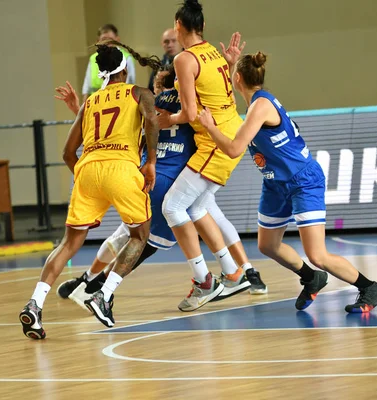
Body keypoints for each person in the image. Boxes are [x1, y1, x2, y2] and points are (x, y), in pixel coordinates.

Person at [56, 66, 268, 312]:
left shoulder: (151, 105)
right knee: (166, 230)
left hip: (147, 181)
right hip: (182, 176)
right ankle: (235, 272)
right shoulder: (191, 107)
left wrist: (79, 111)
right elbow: (218, 99)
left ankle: (94, 284)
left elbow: (109, 128)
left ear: (158, 89)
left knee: (128, 237)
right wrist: (228, 68)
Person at [197, 51, 377, 313]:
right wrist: (231, 64)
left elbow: (233, 149)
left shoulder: (261, 106)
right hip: (276, 183)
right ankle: (312, 278)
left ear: (237, 78)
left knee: (318, 255)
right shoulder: (255, 102)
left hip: (302, 181)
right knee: (267, 245)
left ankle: (369, 287)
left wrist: (208, 125)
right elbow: (234, 100)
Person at [19, 43, 161, 337]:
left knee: (68, 245)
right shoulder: (138, 93)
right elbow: (151, 119)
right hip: (122, 168)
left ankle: (34, 305)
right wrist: (151, 163)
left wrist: (86, 177)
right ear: (124, 68)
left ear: (101, 73)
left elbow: (67, 153)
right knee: (140, 235)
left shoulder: (90, 101)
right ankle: (103, 296)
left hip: (88, 169)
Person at [157, 0, 249, 311]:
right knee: (197, 207)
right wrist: (231, 62)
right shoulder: (213, 53)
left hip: (215, 142)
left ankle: (203, 282)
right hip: (232, 130)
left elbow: (190, 112)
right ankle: (234, 272)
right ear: (203, 27)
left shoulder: (185, 59)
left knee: (172, 207)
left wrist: (167, 120)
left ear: (178, 26)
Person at [81, 24, 136, 102]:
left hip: (118, 101)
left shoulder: (126, 58)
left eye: (110, 39)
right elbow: (87, 88)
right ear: (98, 41)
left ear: (117, 39)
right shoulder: (93, 59)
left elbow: (130, 84)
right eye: (104, 39)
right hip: (97, 102)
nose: (107, 42)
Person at [147, 28, 182, 93]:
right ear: (161, 44)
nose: (170, 45)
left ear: (181, 42)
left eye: (174, 41)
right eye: (166, 42)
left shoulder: (190, 63)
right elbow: (150, 91)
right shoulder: (158, 66)